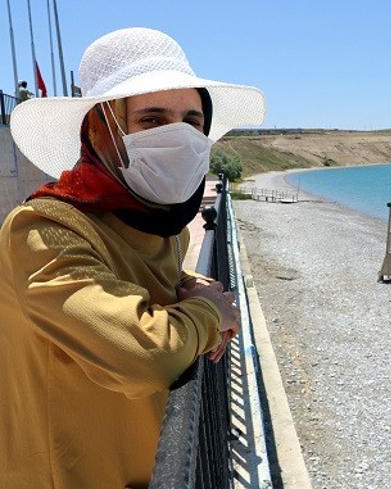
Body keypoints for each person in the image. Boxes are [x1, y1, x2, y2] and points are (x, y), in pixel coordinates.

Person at [0, 27, 265, 489]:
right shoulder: (42, 231)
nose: (178, 136)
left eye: (192, 121)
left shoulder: (159, 226)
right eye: (152, 120)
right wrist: (209, 313)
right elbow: (146, 354)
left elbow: (133, 273)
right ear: (102, 129)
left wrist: (189, 285)